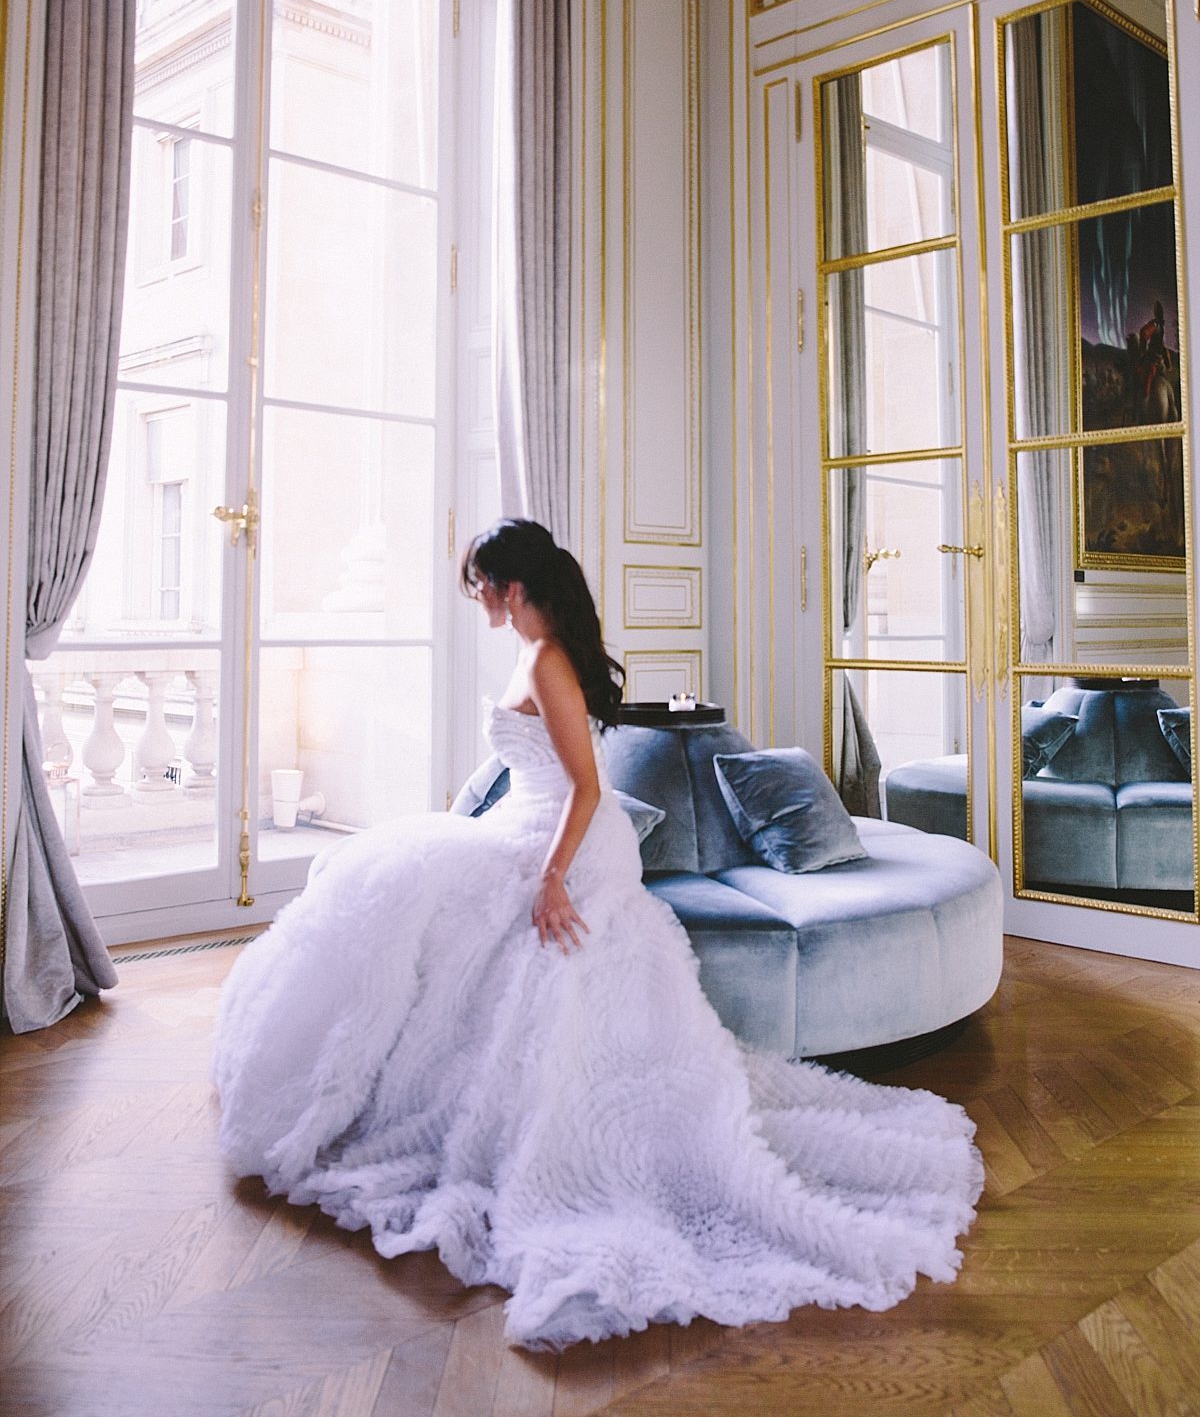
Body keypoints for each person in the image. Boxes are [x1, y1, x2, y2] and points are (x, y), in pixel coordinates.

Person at [213, 518, 983, 1351]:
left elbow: (585, 787)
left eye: (478, 585)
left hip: (567, 842)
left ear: (512, 588)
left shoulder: (546, 659)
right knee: (397, 884)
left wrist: (549, 878)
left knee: (410, 889)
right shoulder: (536, 647)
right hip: (536, 824)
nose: (474, 599)